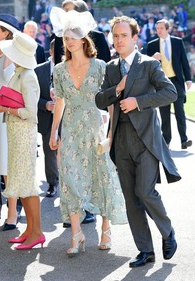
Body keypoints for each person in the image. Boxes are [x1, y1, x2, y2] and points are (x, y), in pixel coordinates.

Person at [95, 15, 181, 268]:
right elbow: (100, 100)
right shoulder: (111, 68)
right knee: (131, 199)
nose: (119, 40)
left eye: (124, 35)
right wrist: (117, 90)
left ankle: (168, 232)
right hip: (120, 140)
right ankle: (145, 250)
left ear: (135, 38)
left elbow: (170, 93)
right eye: (116, 36)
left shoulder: (148, 65)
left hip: (146, 141)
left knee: (145, 192)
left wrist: (138, 102)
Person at [49, 8, 127, 256]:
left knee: (100, 176)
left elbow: (112, 101)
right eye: (66, 37)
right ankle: (76, 234)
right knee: (70, 179)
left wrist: (112, 133)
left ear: (84, 38)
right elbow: (59, 101)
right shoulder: (59, 70)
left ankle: (105, 228)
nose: (69, 40)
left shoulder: (101, 66)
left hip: (95, 128)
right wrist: (54, 133)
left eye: (73, 35)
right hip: (70, 130)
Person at [50, 0, 110, 226]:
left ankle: (90, 209)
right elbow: (58, 66)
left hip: (93, 115)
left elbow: (105, 76)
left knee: (93, 165)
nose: (67, 16)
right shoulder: (60, 40)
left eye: (71, 11)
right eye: (65, 12)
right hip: (70, 115)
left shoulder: (98, 39)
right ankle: (75, 210)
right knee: (70, 166)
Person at [0, 32, 45, 250]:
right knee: (23, 184)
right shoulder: (20, 72)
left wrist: (3, 108)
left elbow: (31, 113)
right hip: (16, 134)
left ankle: (37, 232)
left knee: (28, 186)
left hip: (24, 134)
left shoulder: (28, 76)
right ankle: (31, 230)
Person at [0, 14, 21, 231]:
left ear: (6, 33)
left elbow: (11, 80)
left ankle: (12, 213)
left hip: (4, 117)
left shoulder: (13, 56)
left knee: (6, 167)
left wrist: (7, 53)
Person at [147, 19, 193, 149]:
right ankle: (166, 140)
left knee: (180, 111)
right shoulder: (152, 45)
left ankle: (184, 140)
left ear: (168, 29)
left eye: (161, 28)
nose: (158, 31)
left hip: (176, 81)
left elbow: (184, 61)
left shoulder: (177, 42)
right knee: (164, 113)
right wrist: (152, 58)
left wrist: (188, 79)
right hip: (161, 83)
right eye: (157, 28)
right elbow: (145, 64)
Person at [34, 39, 59, 197]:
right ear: (50, 52)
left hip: (67, 117)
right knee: (49, 151)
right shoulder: (38, 71)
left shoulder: (71, 68)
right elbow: (32, 96)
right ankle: (52, 183)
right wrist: (46, 105)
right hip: (46, 117)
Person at [52, 0, 111, 65]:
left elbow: (106, 66)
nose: (63, 14)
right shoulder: (59, 38)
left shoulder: (97, 37)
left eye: (67, 10)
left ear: (81, 13)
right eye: (63, 11)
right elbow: (57, 65)